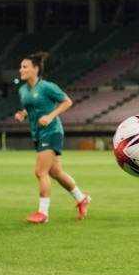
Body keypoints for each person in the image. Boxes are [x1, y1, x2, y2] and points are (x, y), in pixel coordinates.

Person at [13, 51, 90, 224]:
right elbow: (31, 107)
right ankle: (81, 199)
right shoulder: (22, 90)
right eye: (21, 67)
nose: (21, 70)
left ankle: (43, 213)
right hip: (37, 134)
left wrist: (50, 116)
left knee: (40, 172)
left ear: (35, 69)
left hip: (52, 131)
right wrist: (23, 114)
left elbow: (67, 101)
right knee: (56, 172)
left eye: (25, 67)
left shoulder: (47, 87)